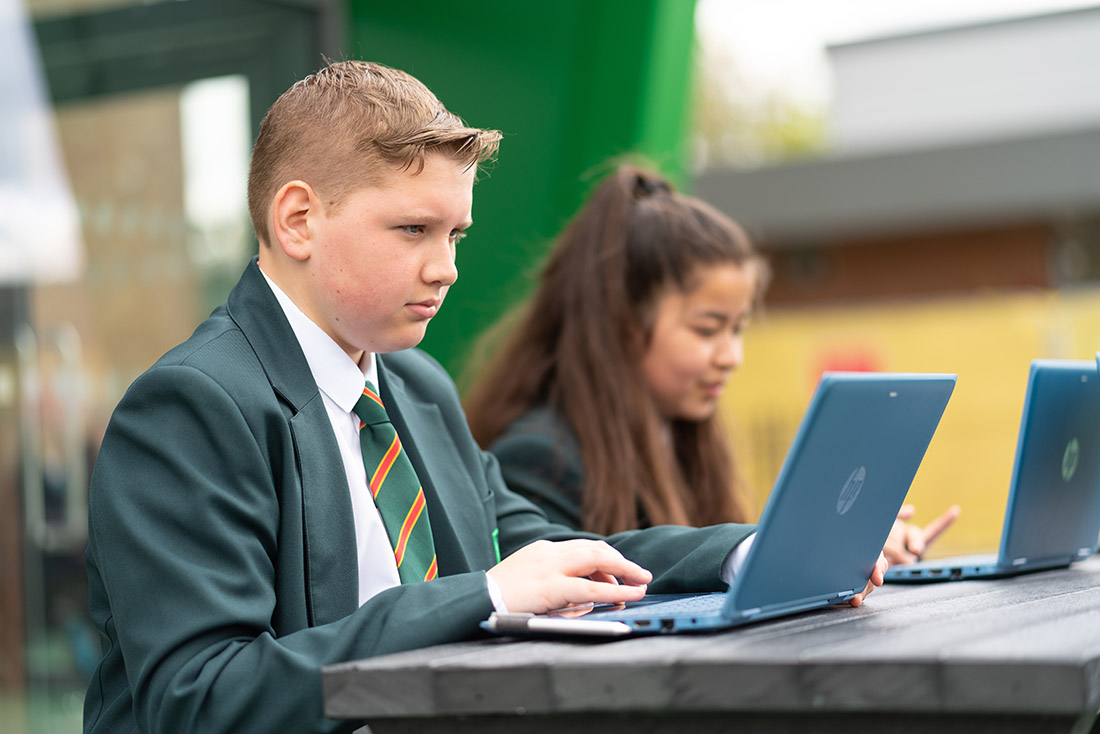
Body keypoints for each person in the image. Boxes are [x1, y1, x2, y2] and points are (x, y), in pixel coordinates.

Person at [82, 61, 884, 734]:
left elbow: (555, 552)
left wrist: (750, 553)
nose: (447, 268)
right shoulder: (192, 407)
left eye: (455, 235)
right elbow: (201, 699)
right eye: (413, 231)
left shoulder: (417, 389)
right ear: (298, 220)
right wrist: (485, 595)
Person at [463, 164, 959, 562]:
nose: (732, 357)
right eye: (707, 329)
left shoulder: (681, 433)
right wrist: (779, 550)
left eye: (738, 329)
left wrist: (833, 555)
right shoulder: (538, 457)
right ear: (623, 325)